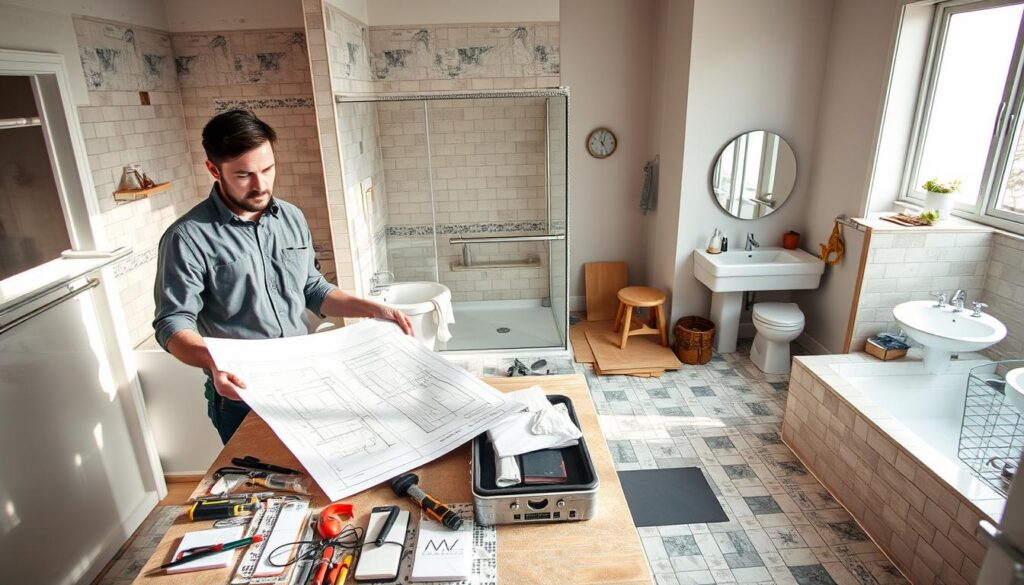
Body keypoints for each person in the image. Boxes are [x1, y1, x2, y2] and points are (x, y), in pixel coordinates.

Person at [153, 109, 411, 444]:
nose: (261, 185)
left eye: (267, 169)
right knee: (259, 491)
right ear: (214, 170)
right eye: (244, 175)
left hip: (304, 384)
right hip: (241, 397)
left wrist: (376, 309)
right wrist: (215, 361)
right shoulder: (186, 237)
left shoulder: (291, 217)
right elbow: (172, 324)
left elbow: (313, 289)